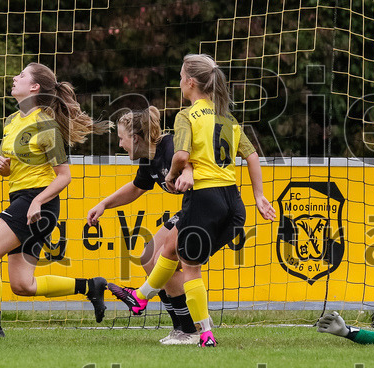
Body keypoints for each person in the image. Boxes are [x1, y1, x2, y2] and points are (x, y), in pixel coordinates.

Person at [109, 53, 278, 347]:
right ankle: (140, 297)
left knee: (190, 268)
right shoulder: (228, 118)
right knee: (170, 249)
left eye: (179, 78)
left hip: (204, 198)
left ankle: (203, 333)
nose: (179, 84)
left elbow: (181, 155)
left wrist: (174, 174)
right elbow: (251, 155)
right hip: (234, 204)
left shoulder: (187, 116)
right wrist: (259, 196)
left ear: (190, 83)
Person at [0, 62, 111, 337]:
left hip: (37, 204)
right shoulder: (11, 121)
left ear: (34, 87)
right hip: (24, 200)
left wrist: (37, 202)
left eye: (21, 75)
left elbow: (64, 176)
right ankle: (91, 286)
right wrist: (5, 169)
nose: (14, 77)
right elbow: (18, 168)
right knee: (23, 285)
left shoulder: (45, 125)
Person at [86, 106, 198, 345]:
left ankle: (191, 327)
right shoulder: (149, 160)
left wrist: (187, 170)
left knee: (162, 262)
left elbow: (188, 161)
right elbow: (137, 188)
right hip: (189, 209)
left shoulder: (169, 146)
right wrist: (104, 204)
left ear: (135, 138)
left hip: (205, 209)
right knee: (148, 257)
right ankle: (180, 327)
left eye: (121, 138)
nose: (120, 144)